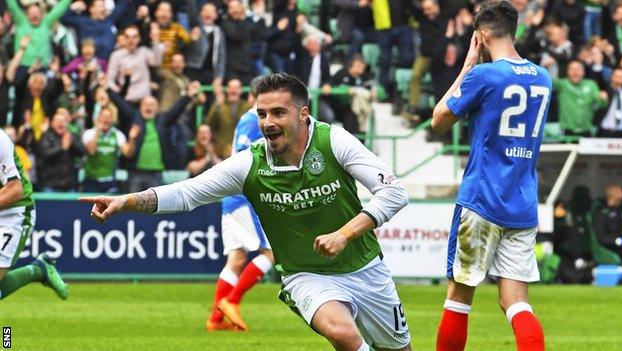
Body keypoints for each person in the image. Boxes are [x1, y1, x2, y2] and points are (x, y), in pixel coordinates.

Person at [80, 73, 412, 351]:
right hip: (306, 275)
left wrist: (344, 234)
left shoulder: (334, 142)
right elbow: (187, 193)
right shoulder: (249, 163)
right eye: (262, 114)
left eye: (278, 113)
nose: (268, 123)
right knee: (342, 334)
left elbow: (394, 192)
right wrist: (128, 201)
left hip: (366, 269)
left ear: (303, 114)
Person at [431, 2, 550, 350]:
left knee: (459, 296)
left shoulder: (484, 75)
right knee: (515, 301)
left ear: (480, 37)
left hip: (482, 199)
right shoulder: (542, 77)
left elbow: (438, 119)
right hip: (523, 202)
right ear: (514, 32)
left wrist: (468, 64)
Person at [207, 87, 275, 332]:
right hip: (243, 197)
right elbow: (249, 157)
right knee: (271, 253)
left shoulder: (248, 120)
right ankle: (232, 301)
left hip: (233, 197)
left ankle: (215, 320)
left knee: (236, 258)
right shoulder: (251, 120)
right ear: (253, 99)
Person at [0, 129, 68, 301]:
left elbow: (15, 190)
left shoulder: (1, 141)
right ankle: (40, 269)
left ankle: (38, 270)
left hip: (14, 213)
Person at [593, 183, 622, 261]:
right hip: (611, 247)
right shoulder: (602, 212)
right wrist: (618, 241)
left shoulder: (620, 210)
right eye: (620, 192)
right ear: (613, 195)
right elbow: (601, 236)